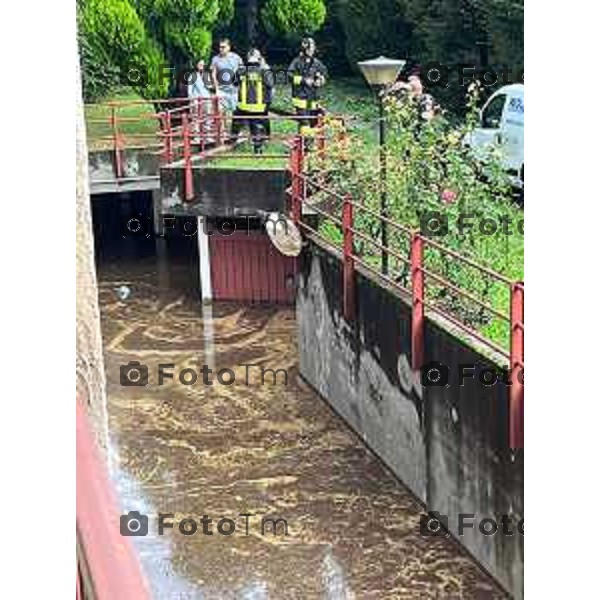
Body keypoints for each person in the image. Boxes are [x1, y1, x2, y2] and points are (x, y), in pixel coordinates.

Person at [230, 49, 273, 154]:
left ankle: (232, 140)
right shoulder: (264, 71)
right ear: (259, 58)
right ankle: (258, 148)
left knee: (236, 120)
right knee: (257, 126)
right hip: (258, 107)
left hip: (243, 106)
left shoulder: (241, 70)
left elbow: (234, 82)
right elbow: (270, 84)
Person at [288, 37, 327, 142]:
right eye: (310, 48)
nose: (312, 50)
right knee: (304, 123)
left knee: (313, 124)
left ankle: (308, 145)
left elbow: (324, 74)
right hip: (301, 99)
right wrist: (304, 81)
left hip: (314, 99)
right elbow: (290, 76)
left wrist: (321, 80)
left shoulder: (317, 63)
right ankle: (303, 146)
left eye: (313, 48)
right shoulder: (296, 62)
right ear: (304, 49)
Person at [210, 38, 243, 113]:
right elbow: (213, 74)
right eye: (220, 47)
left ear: (229, 47)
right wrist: (216, 89)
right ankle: (222, 125)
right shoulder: (215, 59)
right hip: (221, 91)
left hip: (234, 91)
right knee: (220, 113)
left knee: (233, 112)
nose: (221, 49)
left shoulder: (236, 58)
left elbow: (242, 72)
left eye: (223, 47)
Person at [187, 59, 213, 143]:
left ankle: (207, 136)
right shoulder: (193, 76)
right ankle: (197, 137)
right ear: (196, 65)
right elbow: (190, 90)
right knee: (196, 118)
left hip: (206, 98)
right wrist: (192, 101)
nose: (202, 66)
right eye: (200, 65)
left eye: (203, 65)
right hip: (197, 100)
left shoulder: (206, 75)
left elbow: (210, 87)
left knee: (207, 117)